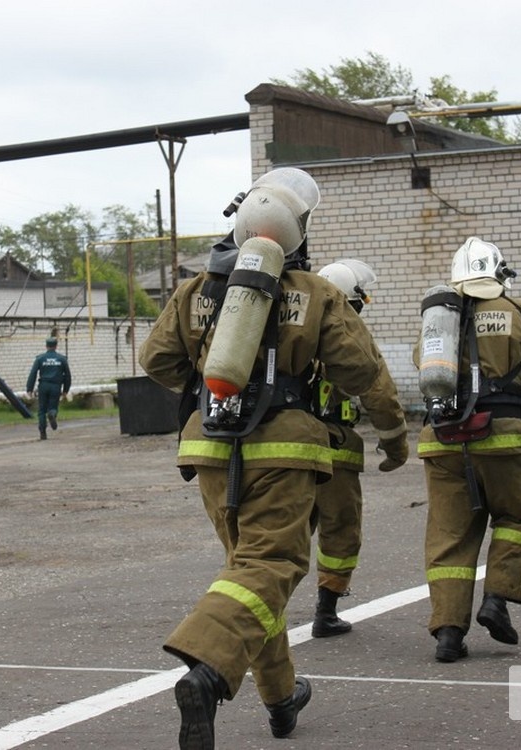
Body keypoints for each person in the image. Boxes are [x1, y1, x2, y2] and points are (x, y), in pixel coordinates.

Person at [140, 168, 406, 749]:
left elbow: (156, 360)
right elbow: (361, 372)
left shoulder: (197, 291)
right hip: (285, 448)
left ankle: (281, 698)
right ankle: (205, 670)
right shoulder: (314, 291)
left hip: (211, 445)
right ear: (297, 231)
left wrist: (210, 376)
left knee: (251, 572)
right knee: (268, 568)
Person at [412, 237, 521, 663]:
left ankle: (448, 633)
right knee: (519, 516)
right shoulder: (518, 312)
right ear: (499, 274)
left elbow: (423, 369)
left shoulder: (437, 319)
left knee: (449, 537)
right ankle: (497, 599)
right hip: (504, 439)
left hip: (443, 441)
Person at [310, 259, 409, 638]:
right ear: (356, 303)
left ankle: (261, 608)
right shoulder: (351, 335)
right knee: (340, 530)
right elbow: (380, 395)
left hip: (279, 447)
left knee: (281, 532)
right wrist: (395, 447)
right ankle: (326, 610)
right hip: (333, 449)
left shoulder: (292, 328)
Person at [26, 335, 71, 440]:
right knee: (53, 407)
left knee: (41, 410)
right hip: (56, 386)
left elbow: (33, 373)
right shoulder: (62, 359)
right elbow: (68, 376)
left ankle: (43, 433)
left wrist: (29, 388)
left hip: (43, 386)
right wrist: (65, 390)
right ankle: (52, 414)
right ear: (56, 346)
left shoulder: (40, 358)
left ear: (46, 346)